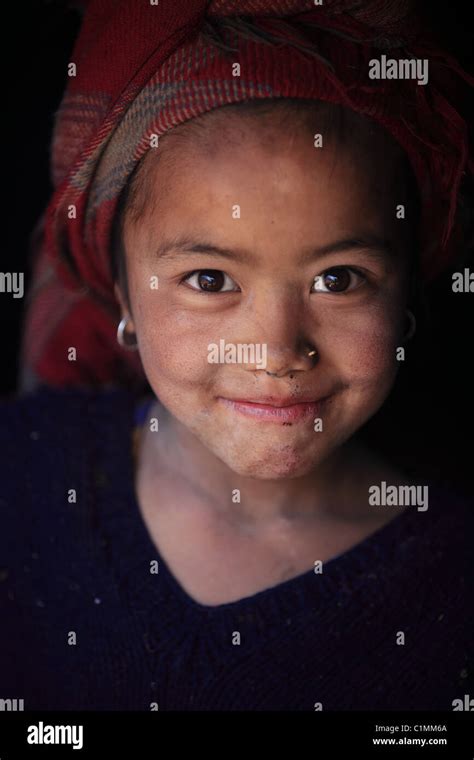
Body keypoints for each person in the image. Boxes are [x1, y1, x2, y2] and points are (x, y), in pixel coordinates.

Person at [1, 0, 472, 710]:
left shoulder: (457, 590)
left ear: (406, 287)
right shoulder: (22, 475)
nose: (278, 350)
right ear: (122, 292)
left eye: (338, 279)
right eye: (210, 280)